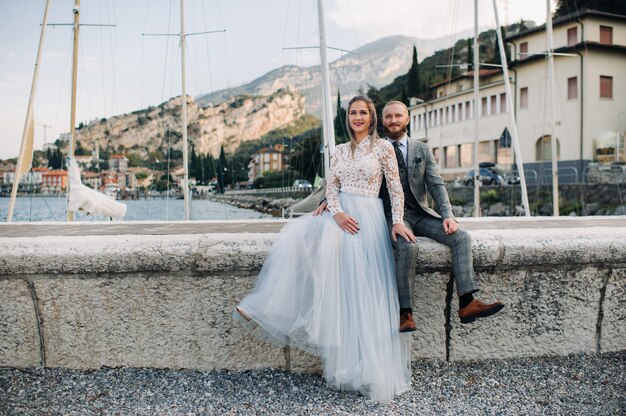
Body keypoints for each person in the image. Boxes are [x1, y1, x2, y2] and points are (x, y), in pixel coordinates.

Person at [234, 96, 414, 401]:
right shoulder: (340, 151)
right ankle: (267, 306)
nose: (358, 117)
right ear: (348, 118)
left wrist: (397, 221)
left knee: (364, 292)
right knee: (301, 242)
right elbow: (331, 187)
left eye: (363, 113)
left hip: (368, 219)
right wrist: (337, 211)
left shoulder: (383, 148)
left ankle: (370, 369)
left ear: (372, 118)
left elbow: (395, 190)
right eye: (353, 113)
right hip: (342, 215)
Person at [316, 100, 504, 332]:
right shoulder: (375, 147)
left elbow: (436, 184)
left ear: (407, 119)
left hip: (420, 213)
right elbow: (347, 178)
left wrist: (448, 215)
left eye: (398, 116)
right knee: (407, 247)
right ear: (381, 121)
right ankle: (405, 314)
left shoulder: (422, 150)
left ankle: (467, 303)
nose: (393, 120)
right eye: (388, 117)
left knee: (461, 237)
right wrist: (329, 203)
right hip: (391, 216)